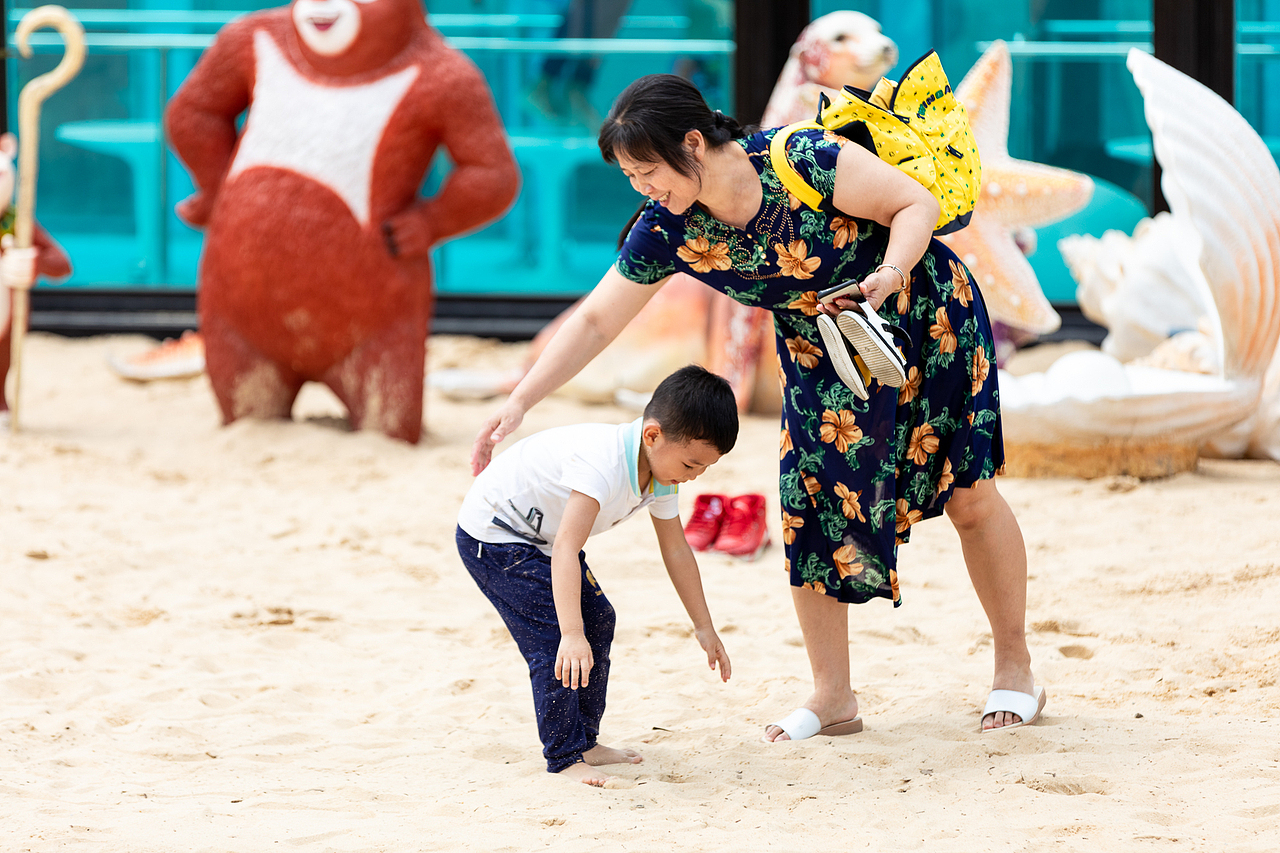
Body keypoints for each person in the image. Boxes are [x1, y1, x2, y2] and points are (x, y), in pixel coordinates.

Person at [473, 73, 1045, 739]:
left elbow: (913, 204)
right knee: (809, 509)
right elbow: (597, 320)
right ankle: (834, 694)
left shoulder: (801, 159)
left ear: (692, 142)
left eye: (647, 169)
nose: (642, 188)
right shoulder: (669, 230)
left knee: (967, 495)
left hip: (922, 313)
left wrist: (885, 276)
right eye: (630, 176)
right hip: (822, 349)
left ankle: (1015, 667)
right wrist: (519, 402)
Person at [457, 364, 735, 786]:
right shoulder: (603, 464)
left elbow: (676, 548)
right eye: (691, 464)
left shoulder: (662, 471)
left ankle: (585, 740)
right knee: (555, 640)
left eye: (704, 470)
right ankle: (565, 757)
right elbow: (568, 547)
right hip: (494, 536)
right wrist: (571, 631)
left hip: (541, 541)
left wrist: (704, 625)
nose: (694, 476)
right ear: (653, 435)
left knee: (600, 620)